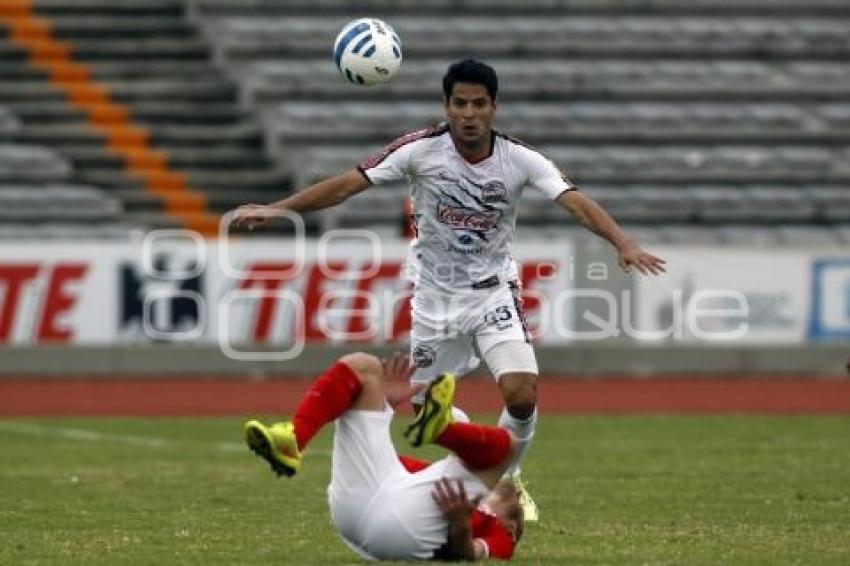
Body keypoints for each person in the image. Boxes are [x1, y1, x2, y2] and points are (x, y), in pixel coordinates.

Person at [233, 59, 667, 521]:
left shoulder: (520, 159)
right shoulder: (420, 150)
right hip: (434, 300)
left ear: (494, 108)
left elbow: (574, 201)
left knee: (521, 395)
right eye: (460, 103)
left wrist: (622, 241)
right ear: (446, 105)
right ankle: (489, 460)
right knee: (424, 413)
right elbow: (346, 185)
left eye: (479, 104)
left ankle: (504, 479)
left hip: (492, 293)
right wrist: (278, 209)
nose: (469, 113)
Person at [243, 352, 524, 561]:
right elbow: (386, 462)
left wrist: (461, 524)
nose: (515, 494)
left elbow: (468, 555)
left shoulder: (502, 535)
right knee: (364, 369)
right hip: (356, 508)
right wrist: (384, 404)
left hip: (402, 533)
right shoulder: (436, 478)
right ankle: (293, 440)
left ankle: (443, 428)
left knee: (508, 449)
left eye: (515, 503)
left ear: (512, 528)